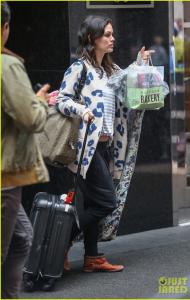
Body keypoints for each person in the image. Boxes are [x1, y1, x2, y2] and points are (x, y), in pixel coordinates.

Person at [57, 15, 153, 277]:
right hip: (85, 149)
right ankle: (60, 244)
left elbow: (129, 83)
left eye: (113, 34)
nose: (113, 39)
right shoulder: (80, 69)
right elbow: (61, 99)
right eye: (107, 35)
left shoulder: (110, 70)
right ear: (92, 38)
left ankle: (92, 257)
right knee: (106, 202)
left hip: (105, 148)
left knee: (92, 205)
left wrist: (140, 64)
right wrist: (82, 109)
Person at [1, 2, 50, 298]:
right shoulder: (6, 65)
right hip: (5, 178)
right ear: (5, 28)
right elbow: (31, 119)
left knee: (22, 238)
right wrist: (40, 102)